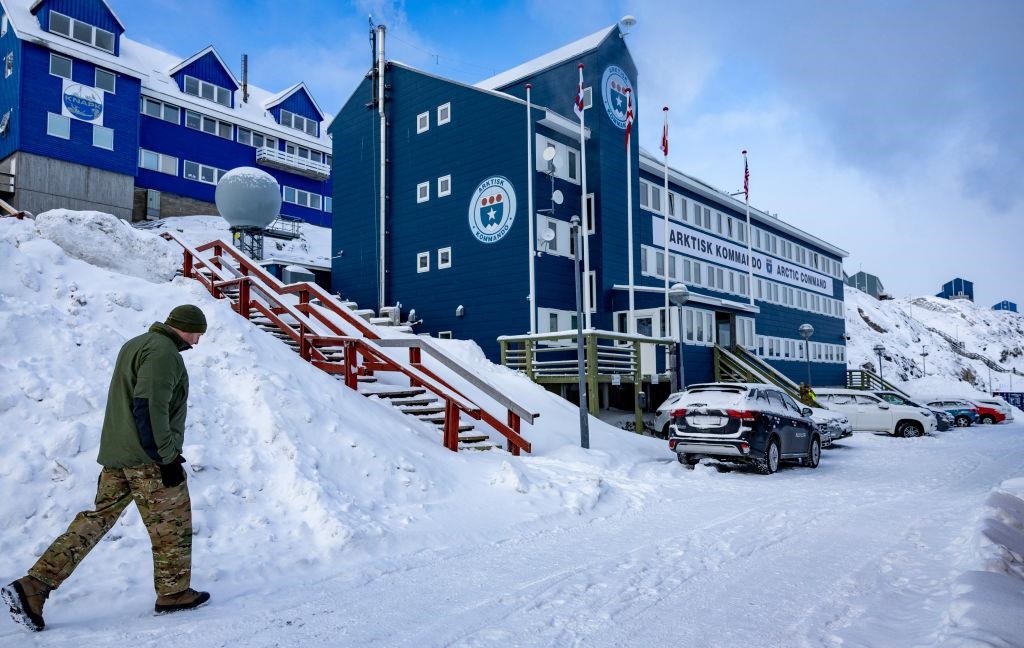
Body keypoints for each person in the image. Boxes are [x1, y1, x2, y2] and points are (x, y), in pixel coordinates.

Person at [3, 305, 210, 632]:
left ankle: (34, 586)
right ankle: (173, 593)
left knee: (97, 520)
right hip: (148, 458)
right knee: (173, 522)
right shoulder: (163, 353)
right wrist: (166, 458)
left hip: (119, 453)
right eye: (198, 333)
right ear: (185, 327)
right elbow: (148, 406)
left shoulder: (136, 344)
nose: (198, 342)